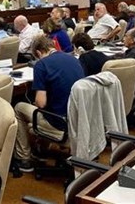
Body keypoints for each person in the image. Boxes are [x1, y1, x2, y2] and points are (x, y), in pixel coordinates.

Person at [13, 35, 84, 172]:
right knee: (42, 110)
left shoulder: (41, 65)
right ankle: (41, 150)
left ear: (39, 53)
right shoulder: (73, 59)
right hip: (79, 118)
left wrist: (36, 100)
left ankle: (24, 159)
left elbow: (41, 103)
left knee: (19, 108)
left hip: (60, 123)